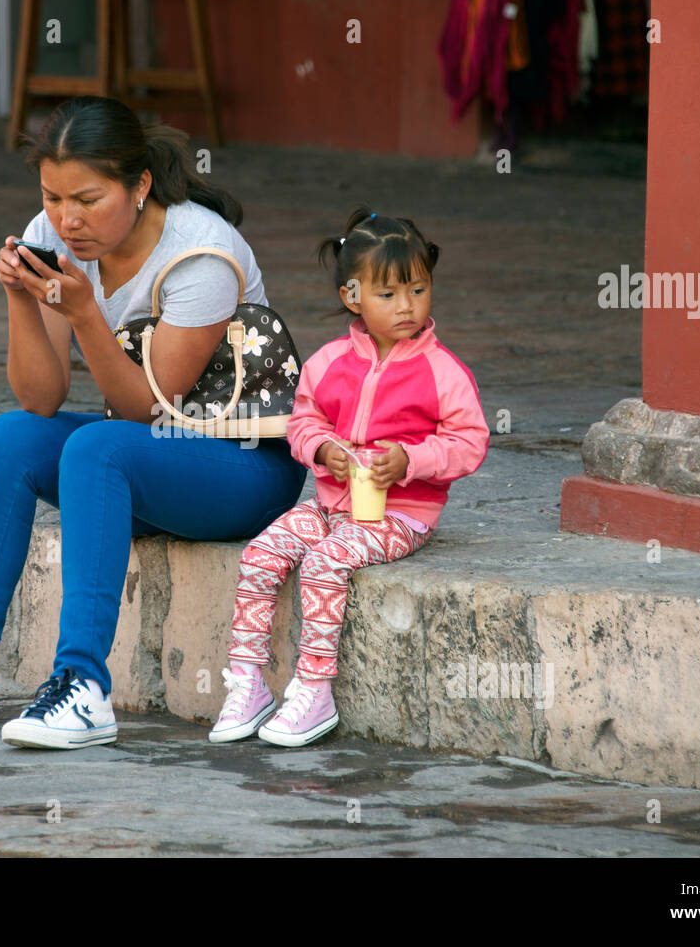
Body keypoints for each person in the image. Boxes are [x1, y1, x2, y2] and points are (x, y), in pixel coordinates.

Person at [0, 97, 306, 748]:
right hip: (151, 457)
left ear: (140, 185)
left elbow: (146, 409)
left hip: (243, 468)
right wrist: (19, 295)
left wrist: (86, 315)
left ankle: (83, 689)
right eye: (53, 196)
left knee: (99, 448)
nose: (67, 219)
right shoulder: (51, 232)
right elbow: (41, 398)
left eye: (89, 199)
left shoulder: (201, 254)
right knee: (8, 438)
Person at [209, 208, 490, 748]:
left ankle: (314, 691)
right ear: (352, 296)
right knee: (261, 554)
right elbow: (303, 421)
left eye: (418, 289)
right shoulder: (330, 361)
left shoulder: (443, 372)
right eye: (389, 294)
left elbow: (469, 441)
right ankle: (247, 685)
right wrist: (322, 449)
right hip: (331, 505)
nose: (407, 306)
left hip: (400, 515)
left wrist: (412, 461)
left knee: (324, 561)